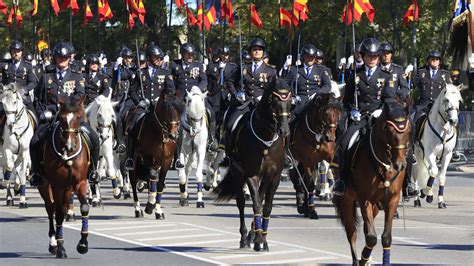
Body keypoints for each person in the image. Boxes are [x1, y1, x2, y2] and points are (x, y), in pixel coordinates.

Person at [331, 38, 402, 198]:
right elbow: (347, 100)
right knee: (344, 143)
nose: (372, 59)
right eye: (368, 56)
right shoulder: (355, 75)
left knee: (400, 144)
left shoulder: (386, 76)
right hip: (360, 118)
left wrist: (382, 111)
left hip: (379, 118)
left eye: (375, 56)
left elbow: (390, 99)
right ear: (362, 56)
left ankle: (405, 182)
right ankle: (342, 180)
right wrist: (351, 111)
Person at [30, 42, 100, 186]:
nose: (62, 60)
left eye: (65, 58)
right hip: (51, 115)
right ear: (54, 58)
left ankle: (93, 170)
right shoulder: (46, 76)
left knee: (93, 138)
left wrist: (69, 108)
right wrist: (41, 112)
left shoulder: (77, 76)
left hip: (72, 116)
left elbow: (80, 95)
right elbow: (38, 97)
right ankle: (36, 172)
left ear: (69, 59)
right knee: (35, 141)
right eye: (59, 58)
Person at [404, 51, 452, 196]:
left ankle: (452, 148)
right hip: (423, 107)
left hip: (439, 110)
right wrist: (408, 76)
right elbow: (411, 87)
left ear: (440, 62)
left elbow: (449, 92)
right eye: (432, 59)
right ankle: (412, 147)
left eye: (437, 60)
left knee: (453, 123)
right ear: (428, 61)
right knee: (413, 122)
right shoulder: (421, 73)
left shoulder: (445, 75)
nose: (435, 62)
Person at [124, 45, 176, 169]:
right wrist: (140, 101)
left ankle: (177, 157)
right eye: (155, 57)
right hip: (145, 107)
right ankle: (130, 157)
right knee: (132, 126)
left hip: (160, 108)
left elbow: (171, 90)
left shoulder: (165, 73)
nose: (158, 59)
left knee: (174, 126)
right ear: (148, 58)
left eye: (159, 57)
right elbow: (133, 91)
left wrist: (163, 101)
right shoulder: (140, 73)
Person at [170, 43, 208, 169]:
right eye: (188, 54)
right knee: (178, 121)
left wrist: (197, 91)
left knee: (210, 113)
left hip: (195, 98)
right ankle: (178, 155)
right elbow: (171, 81)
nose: (190, 57)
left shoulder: (198, 65)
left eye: (192, 54)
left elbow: (204, 80)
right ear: (182, 54)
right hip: (180, 99)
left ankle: (212, 139)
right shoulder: (175, 65)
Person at [206, 45, 239, 151]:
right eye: (223, 55)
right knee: (214, 119)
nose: (225, 57)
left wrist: (234, 93)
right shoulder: (212, 66)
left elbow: (236, 82)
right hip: (214, 96)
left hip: (227, 96)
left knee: (226, 120)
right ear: (220, 55)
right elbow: (208, 81)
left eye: (227, 55)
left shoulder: (233, 67)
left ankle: (224, 142)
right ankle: (212, 140)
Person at [285, 44, 332, 117]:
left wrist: (317, 94)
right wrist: (293, 95)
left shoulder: (321, 70)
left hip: (316, 102)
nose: (310, 59)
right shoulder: (295, 70)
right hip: (299, 104)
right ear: (303, 57)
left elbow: (327, 85)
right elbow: (286, 85)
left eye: (312, 57)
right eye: (308, 56)